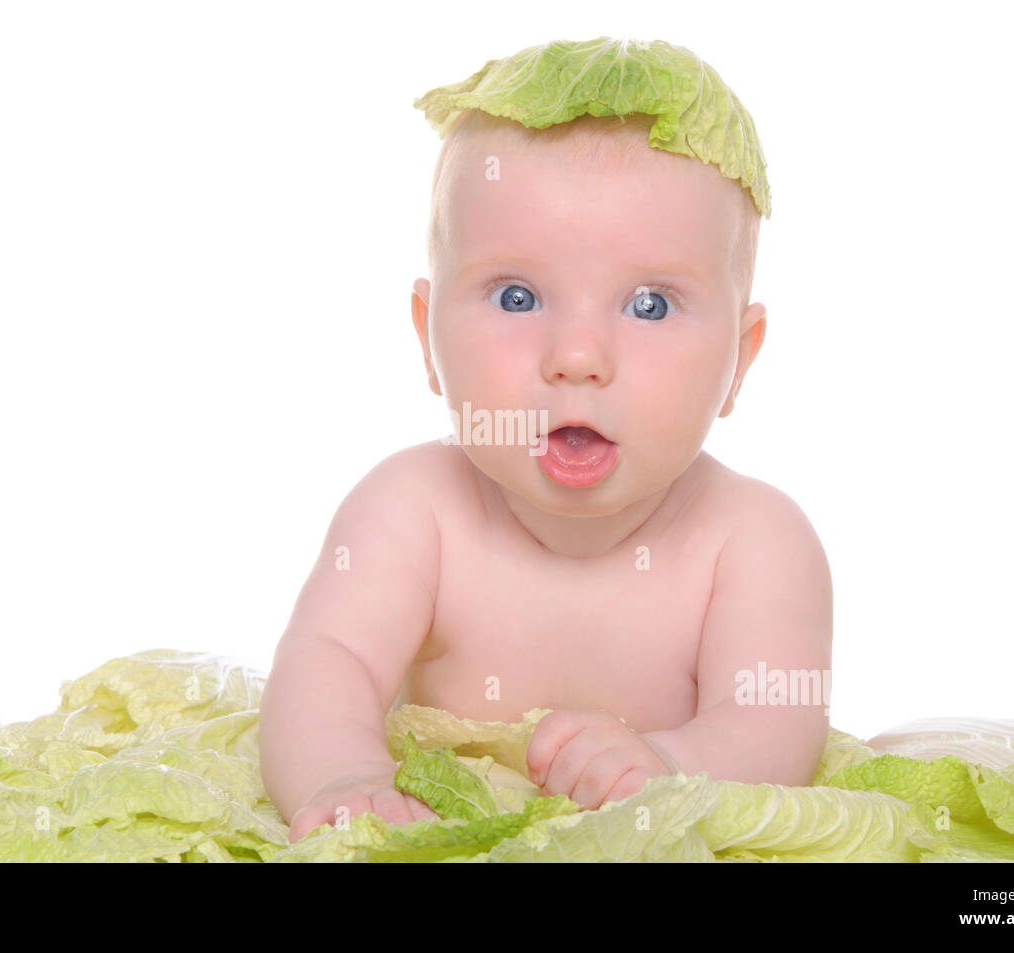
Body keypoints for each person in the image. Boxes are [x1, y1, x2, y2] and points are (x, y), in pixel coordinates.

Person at [260, 37, 833, 843]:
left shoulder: (755, 541)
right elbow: (325, 664)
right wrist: (342, 773)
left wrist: (670, 763)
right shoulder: (411, 509)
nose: (576, 358)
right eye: (518, 295)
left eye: (651, 306)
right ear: (428, 338)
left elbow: (778, 723)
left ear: (740, 359)